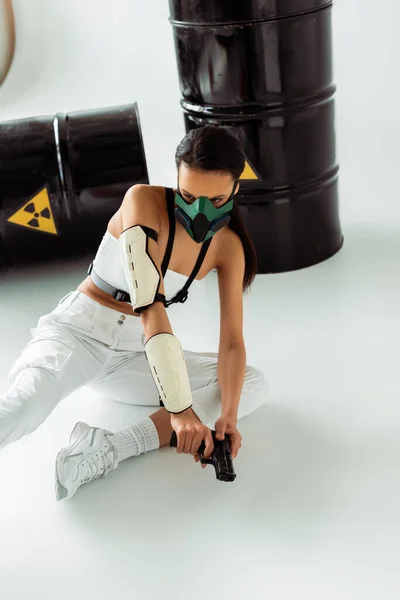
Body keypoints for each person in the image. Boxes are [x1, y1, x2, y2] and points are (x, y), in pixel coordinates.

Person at [0, 125, 268, 501]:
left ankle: (106, 448)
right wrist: (182, 409)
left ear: (236, 189)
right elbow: (151, 309)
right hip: (79, 332)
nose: (200, 212)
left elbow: (233, 342)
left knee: (249, 384)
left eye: (217, 199)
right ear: (176, 179)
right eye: (189, 195)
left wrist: (227, 416)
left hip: (135, 357)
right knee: (23, 409)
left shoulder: (228, 248)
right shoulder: (142, 201)